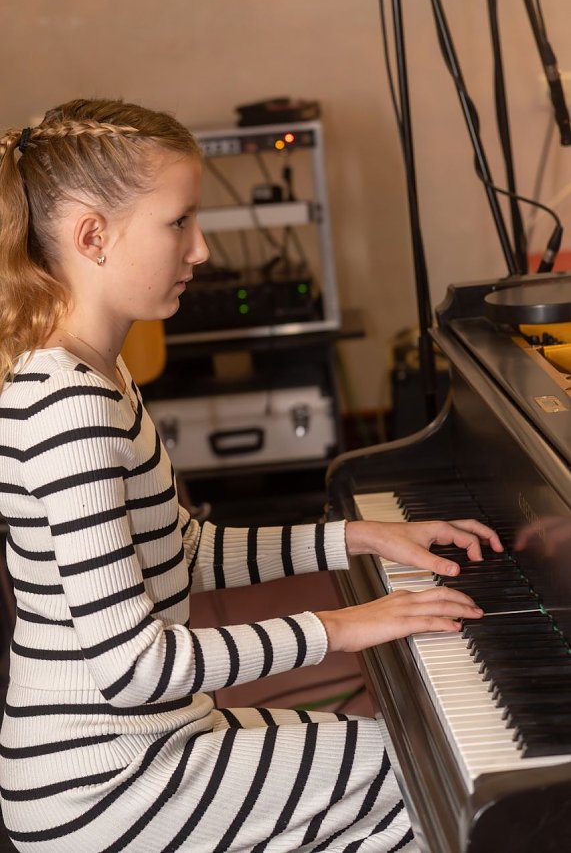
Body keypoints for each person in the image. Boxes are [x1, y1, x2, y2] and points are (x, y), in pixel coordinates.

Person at [0, 98, 502, 853]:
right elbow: (134, 668)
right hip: (102, 785)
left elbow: (183, 552)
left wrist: (362, 539)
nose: (200, 249)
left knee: (388, 754)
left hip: (154, 740)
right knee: (429, 783)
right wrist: (342, 628)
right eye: (179, 222)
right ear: (92, 236)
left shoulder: (97, 376)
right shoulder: (66, 408)